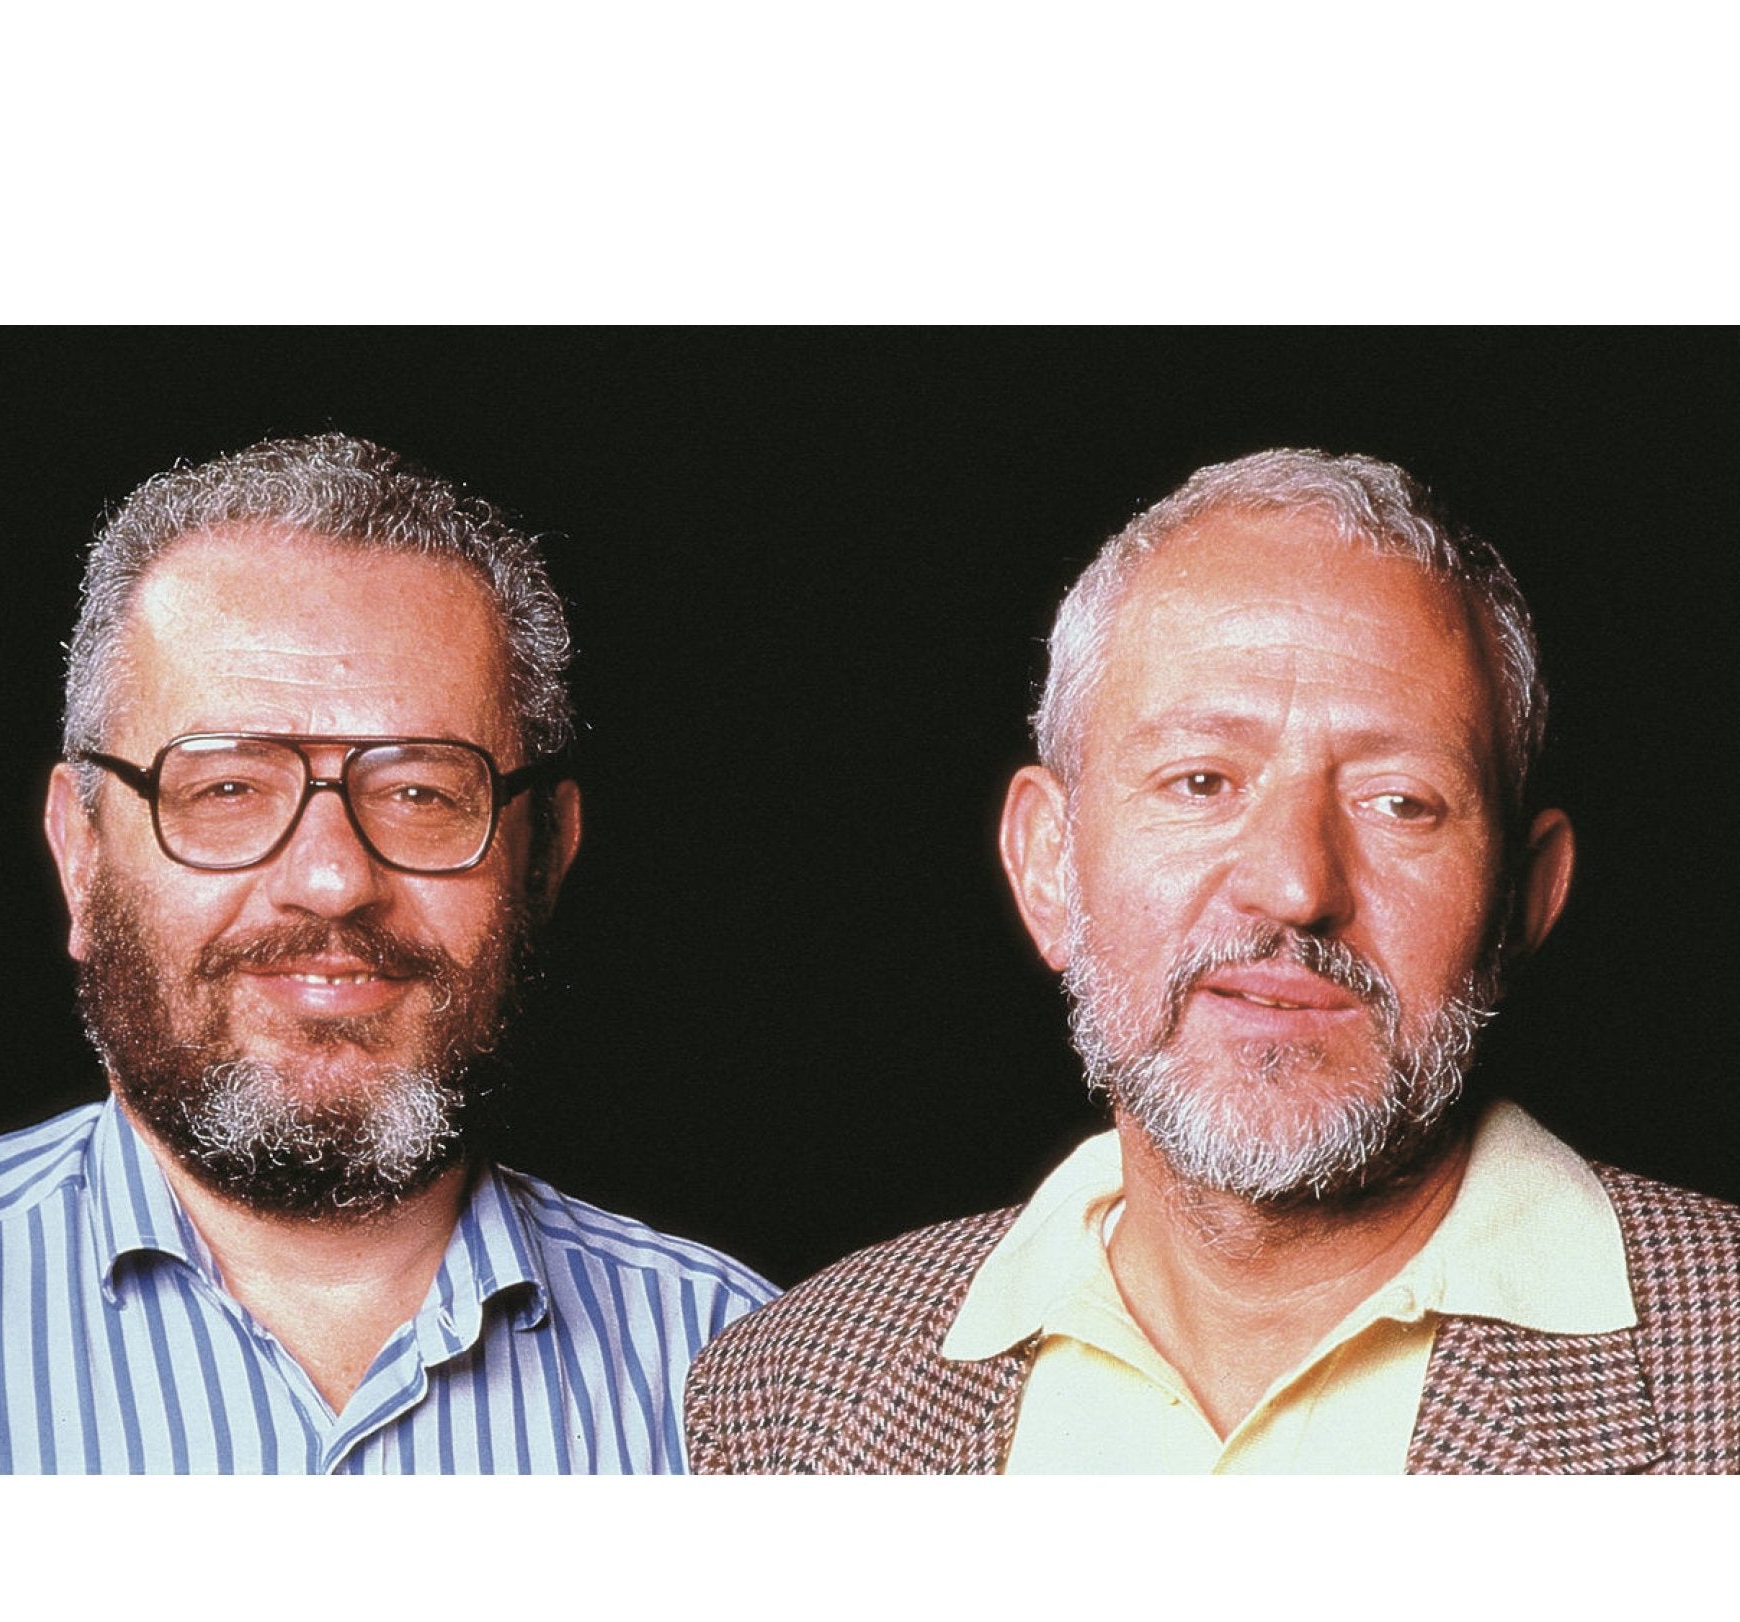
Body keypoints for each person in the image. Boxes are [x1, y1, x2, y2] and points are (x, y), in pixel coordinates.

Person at [685, 447, 1739, 1475]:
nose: (1294, 885)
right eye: (1202, 782)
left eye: (1399, 802)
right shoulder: (781, 1398)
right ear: (1048, 865)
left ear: (1526, 897)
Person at [0, 433, 776, 1473]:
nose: (333, 880)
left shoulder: (753, 1378)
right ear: (80, 852)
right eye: (228, 788)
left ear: (545, 855)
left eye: (421, 793)